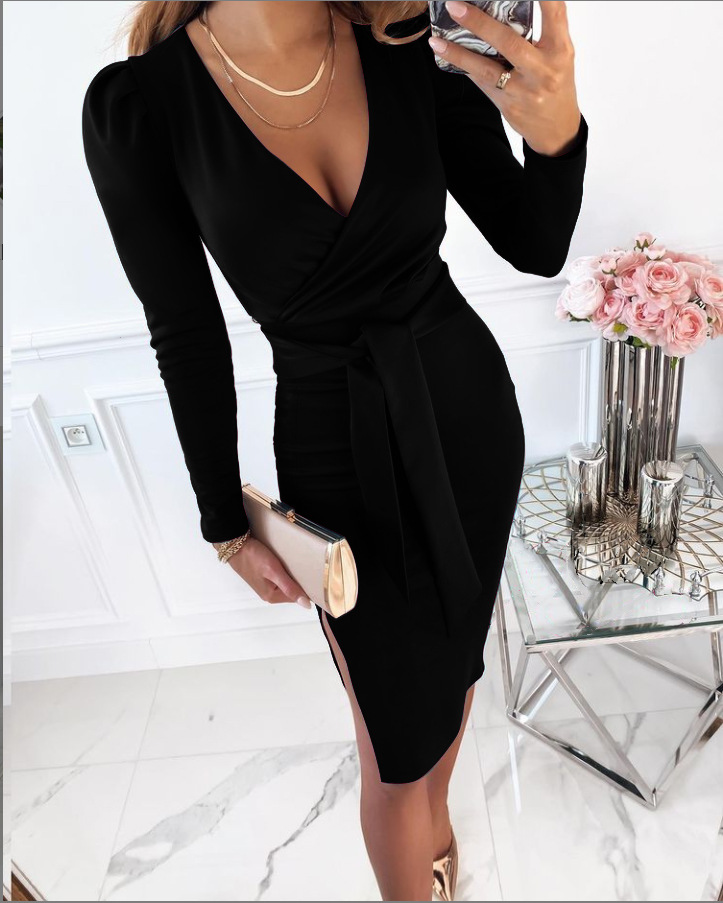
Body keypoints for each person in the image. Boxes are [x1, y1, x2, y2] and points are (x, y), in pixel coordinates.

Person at [82, 1, 587, 898]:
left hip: (467, 417)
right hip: (335, 457)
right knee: (393, 748)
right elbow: (184, 332)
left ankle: (437, 822)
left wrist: (557, 134)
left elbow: (535, 243)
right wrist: (223, 524)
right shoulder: (139, 106)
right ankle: (418, 842)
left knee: (455, 669)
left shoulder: (406, 36)